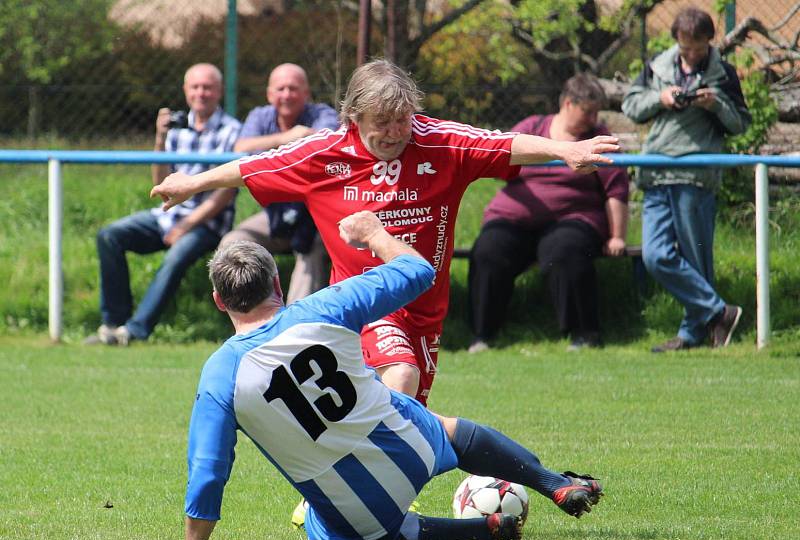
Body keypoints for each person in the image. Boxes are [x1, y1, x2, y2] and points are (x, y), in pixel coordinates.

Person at [152, 59, 620, 404]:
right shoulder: (325, 152)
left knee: (409, 410)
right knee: (401, 372)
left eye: (403, 119)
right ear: (354, 115)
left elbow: (505, 143)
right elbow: (254, 164)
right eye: (383, 122)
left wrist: (564, 149)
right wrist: (193, 181)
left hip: (426, 307)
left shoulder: (438, 141)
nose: (396, 132)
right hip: (364, 302)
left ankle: (346, 495)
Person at [181, 211, 604, 540]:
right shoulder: (324, 306)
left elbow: (209, 470)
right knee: (447, 429)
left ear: (220, 301)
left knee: (321, 526)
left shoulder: (220, 374)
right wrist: (375, 233)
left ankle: (473, 529)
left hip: (357, 507)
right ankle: (552, 482)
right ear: (276, 282)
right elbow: (418, 272)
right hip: (412, 447)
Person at [467, 74, 629, 352]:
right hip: (515, 218)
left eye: (596, 112)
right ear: (568, 103)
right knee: (488, 250)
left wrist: (617, 236)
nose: (593, 118)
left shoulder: (597, 138)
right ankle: (482, 335)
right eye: (587, 111)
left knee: (564, 250)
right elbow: (500, 156)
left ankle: (584, 335)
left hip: (573, 219)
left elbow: (616, 190)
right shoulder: (533, 127)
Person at [622, 8, 751, 353]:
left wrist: (716, 105)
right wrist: (659, 98)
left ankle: (692, 334)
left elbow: (741, 123)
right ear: (676, 43)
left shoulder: (723, 73)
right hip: (656, 170)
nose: (691, 55)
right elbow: (631, 106)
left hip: (696, 175)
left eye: (697, 48)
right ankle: (719, 312)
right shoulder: (658, 66)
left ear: (709, 41)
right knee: (655, 255)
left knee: (696, 260)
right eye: (685, 49)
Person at [86, 63, 241, 346]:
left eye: (207, 87)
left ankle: (135, 331)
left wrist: (186, 225)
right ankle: (112, 323)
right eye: (195, 87)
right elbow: (160, 183)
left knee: (176, 257)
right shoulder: (176, 129)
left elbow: (226, 194)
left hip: (207, 222)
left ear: (219, 91)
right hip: (168, 214)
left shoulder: (234, 131)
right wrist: (159, 138)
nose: (201, 93)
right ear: (185, 90)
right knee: (109, 236)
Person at [223, 63, 339, 304]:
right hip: (275, 213)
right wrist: (288, 138)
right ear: (269, 94)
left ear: (306, 94)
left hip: (314, 214)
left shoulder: (322, 114)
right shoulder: (260, 116)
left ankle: (295, 328)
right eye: (281, 88)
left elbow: (326, 142)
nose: (286, 94)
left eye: (293, 88)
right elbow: (241, 148)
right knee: (233, 242)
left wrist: (271, 147)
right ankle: (256, 316)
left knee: (310, 252)